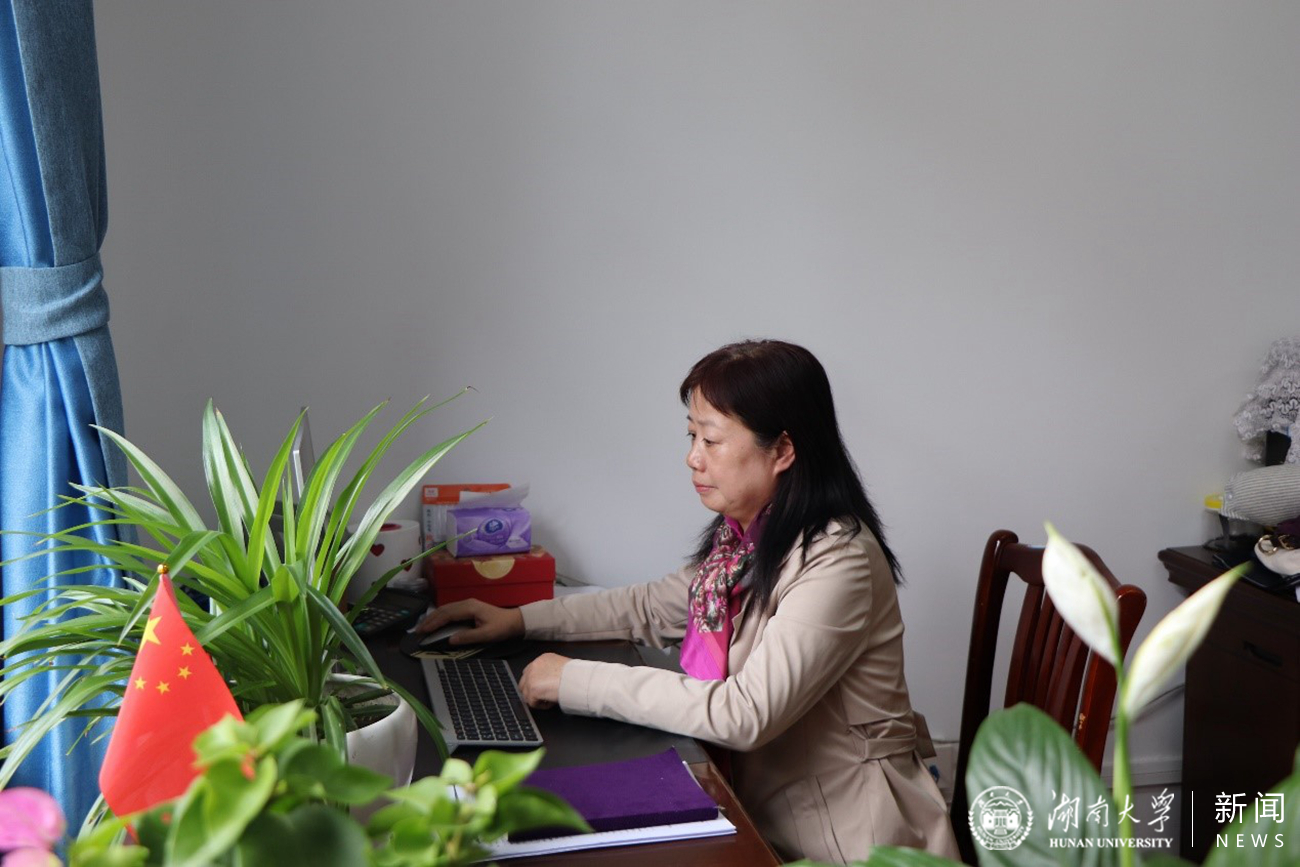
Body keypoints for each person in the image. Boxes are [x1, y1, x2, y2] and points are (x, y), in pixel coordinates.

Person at [417, 339, 959, 863]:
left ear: (782, 451)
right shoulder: (744, 541)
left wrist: (574, 680)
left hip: (847, 839)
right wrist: (517, 620)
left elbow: (745, 712)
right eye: (691, 435)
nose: (692, 458)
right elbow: (650, 606)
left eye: (712, 440)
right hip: (762, 806)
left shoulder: (838, 559)